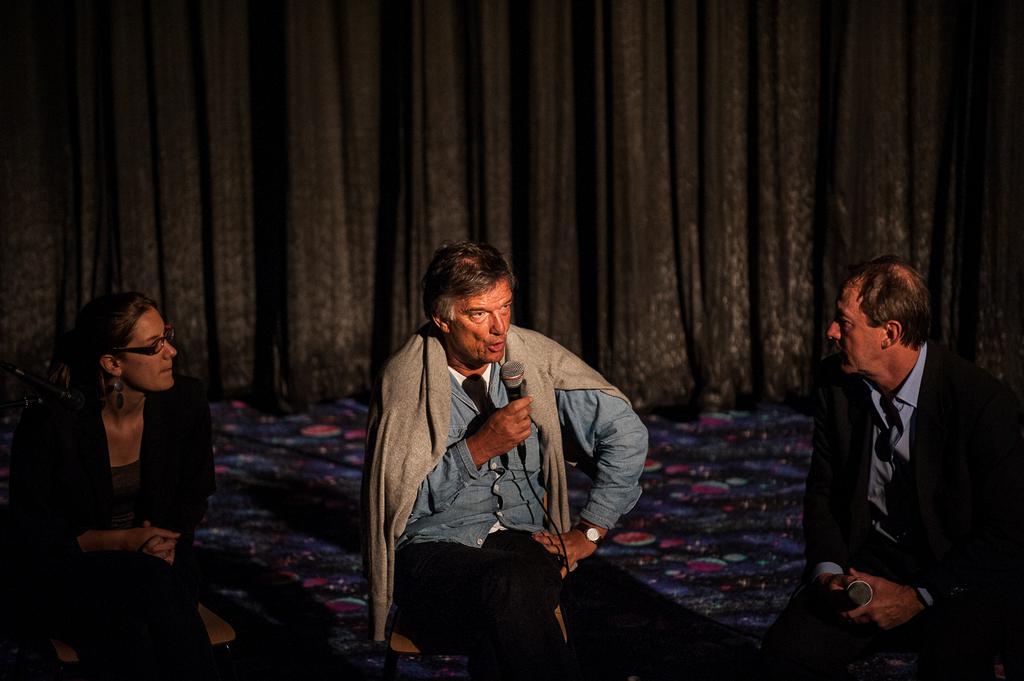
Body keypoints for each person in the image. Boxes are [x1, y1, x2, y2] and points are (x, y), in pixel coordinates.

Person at [362, 241, 648, 679]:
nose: (500, 328)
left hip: (523, 540)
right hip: (433, 549)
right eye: (479, 314)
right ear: (442, 319)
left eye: (505, 307)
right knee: (513, 588)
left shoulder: (532, 359)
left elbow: (626, 432)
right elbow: (398, 508)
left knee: (514, 591)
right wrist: (477, 449)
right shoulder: (405, 381)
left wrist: (591, 530)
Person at [761, 256, 1024, 680]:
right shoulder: (837, 383)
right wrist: (829, 575)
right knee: (784, 655)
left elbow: (1007, 533)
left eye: (844, 323)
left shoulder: (982, 403)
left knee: (952, 665)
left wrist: (918, 596)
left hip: (956, 570)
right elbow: (824, 494)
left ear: (890, 333)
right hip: (876, 559)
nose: (831, 332)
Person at [9, 292, 219, 681]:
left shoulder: (185, 401)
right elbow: (35, 532)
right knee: (138, 612)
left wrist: (165, 541)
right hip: (72, 571)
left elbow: (196, 491)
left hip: (163, 561)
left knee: (147, 602)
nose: (171, 352)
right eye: (155, 345)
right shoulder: (52, 425)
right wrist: (125, 542)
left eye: (167, 336)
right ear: (112, 363)